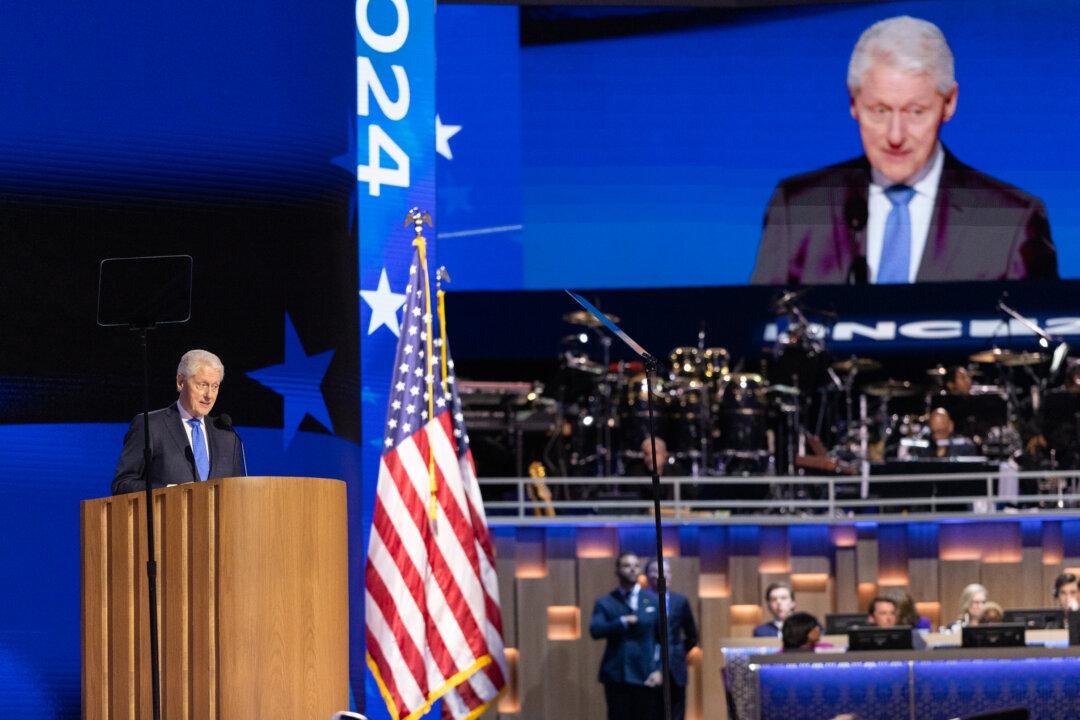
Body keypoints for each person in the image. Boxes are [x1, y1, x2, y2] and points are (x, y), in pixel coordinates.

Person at [751, 15, 1057, 285]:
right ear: (853, 103)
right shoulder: (798, 209)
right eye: (880, 110)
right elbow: (755, 334)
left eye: (915, 112)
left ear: (949, 103)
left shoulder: (1009, 223)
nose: (895, 136)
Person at [112, 349, 244, 495]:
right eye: (202, 385)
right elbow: (122, 485)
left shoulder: (227, 436)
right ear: (181, 382)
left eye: (215, 386)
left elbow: (236, 492)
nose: (209, 395)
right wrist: (170, 491)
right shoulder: (150, 425)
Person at [589, 552, 661, 720]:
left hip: (645, 674)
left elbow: (662, 640)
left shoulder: (652, 601)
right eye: (627, 566)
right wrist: (621, 622)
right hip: (617, 675)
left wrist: (659, 670)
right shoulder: (605, 602)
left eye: (636, 566)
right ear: (617, 570)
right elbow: (596, 630)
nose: (632, 570)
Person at [646, 558, 699, 720]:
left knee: (677, 713)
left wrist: (678, 651)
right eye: (656, 571)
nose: (663, 575)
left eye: (667, 572)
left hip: (676, 668)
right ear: (647, 575)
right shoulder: (642, 600)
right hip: (649, 667)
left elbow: (692, 635)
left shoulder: (680, 601)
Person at [909, 408, 978, 458]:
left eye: (940, 432)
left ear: (950, 426)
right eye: (933, 432)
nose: (936, 437)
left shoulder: (965, 447)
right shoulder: (921, 447)